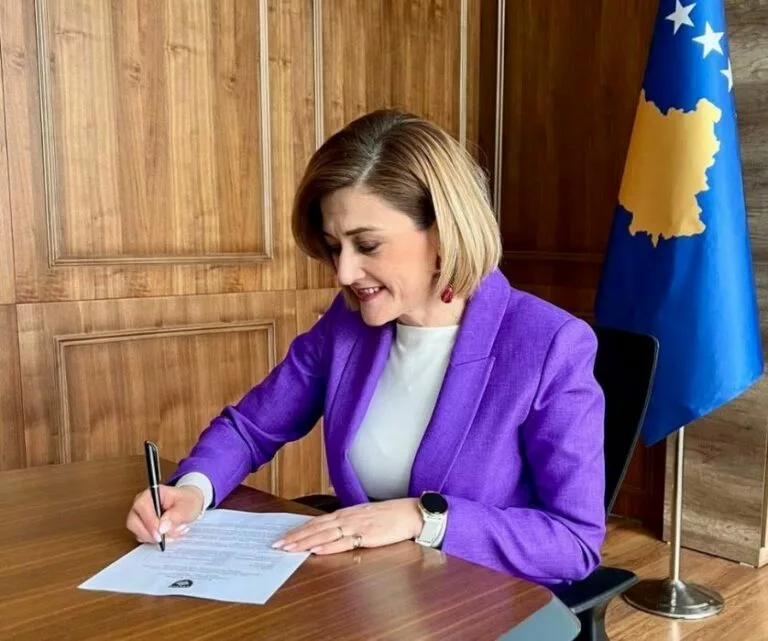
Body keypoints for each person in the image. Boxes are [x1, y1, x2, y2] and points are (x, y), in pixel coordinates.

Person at [126, 108, 606, 588]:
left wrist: (424, 517)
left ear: (443, 233)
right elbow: (252, 427)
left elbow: (574, 544)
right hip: (366, 590)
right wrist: (193, 490)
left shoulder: (549, 344)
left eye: (368, 245)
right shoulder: (348, 324)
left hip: (478, 600)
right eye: (335, 246)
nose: (344, 273)